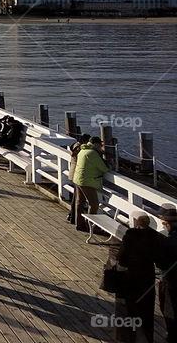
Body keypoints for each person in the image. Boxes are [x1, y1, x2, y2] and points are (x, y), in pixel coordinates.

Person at [116, 214, 158, 342]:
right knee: (147, 310)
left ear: (136, 223)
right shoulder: (155, 237)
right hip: (148, 277)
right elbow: (158, 258)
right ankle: (147, 337)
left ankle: (129, 337)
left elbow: (121, 258)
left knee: (130, 310)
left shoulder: (129, 236)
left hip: (132, 277)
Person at [73, 138, 109, 232]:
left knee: (79, 203)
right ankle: (90, 226)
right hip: (87, 181)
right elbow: (104, 168)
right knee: (94, 204)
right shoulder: (92, 153)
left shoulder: (83, 150)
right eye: (100, 144)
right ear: (96, 144)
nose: (101, 146)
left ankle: (79, 224)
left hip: (78, 179)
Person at [158, 205, 177, 343]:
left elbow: (161, 263)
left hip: (171, 281)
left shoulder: (168, 241)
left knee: (170, 309)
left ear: (166, 223)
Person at [66, 134, 92, 223]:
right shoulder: (79, 148)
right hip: (77, 174)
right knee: (78, 199)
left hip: (73, 173)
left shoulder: (74, 145)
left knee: (76, 197)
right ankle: (73, 217)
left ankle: (71, 215)